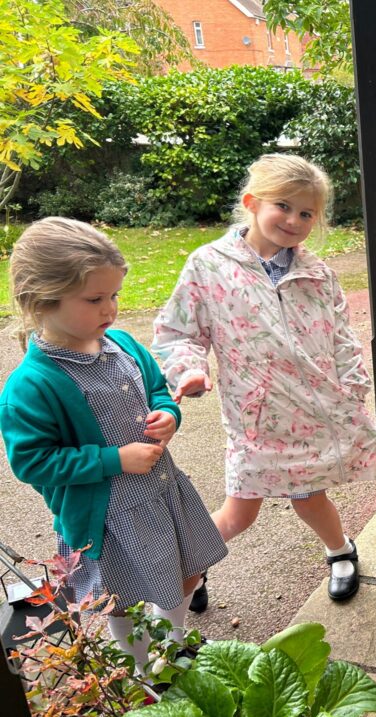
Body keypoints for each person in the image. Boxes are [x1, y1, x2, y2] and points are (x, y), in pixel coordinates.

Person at [152, 154, 376, 605]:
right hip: (256, 419)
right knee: (240, 512)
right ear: (251, 202)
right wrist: (190, 369)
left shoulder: (318, 273)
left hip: (311, 410)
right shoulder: (210, 266)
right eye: (283, 205)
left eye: (306, 213)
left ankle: (340, 550)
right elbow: (177, 331)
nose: (294, 220)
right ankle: (191, 571)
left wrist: (353, 387)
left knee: (309, 497)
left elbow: (341, 336)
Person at [0, 218, 227, 675]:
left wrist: (170, 416)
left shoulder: (121, 344)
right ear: (41, 301)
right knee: (119, 598)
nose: (111, 309)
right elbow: (32, 462)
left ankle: (174, 643)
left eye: (114, 295)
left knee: (189, 569)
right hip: (108, 517)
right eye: (94, 299)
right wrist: (113, 459)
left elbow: (158, 389)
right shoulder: (32, 384)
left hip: (163, 494)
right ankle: (139, 668)